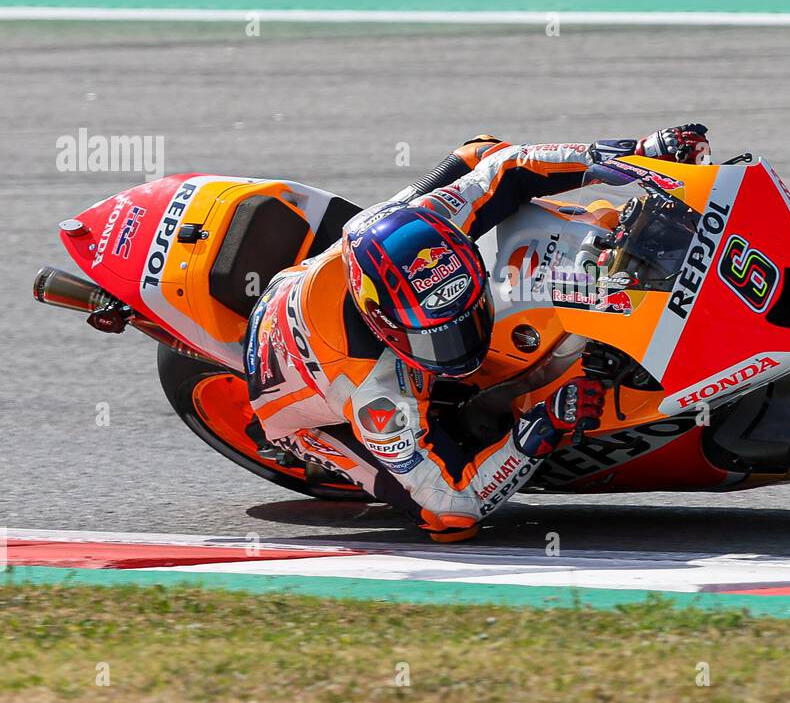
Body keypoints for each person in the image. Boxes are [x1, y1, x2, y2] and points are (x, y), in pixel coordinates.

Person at [244, 125, 712, 541]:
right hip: (303, 403)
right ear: (384, 325)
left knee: (481, 152)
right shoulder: (374, 396)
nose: (462, 344)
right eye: (437, 339)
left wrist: (632, 153)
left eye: (468, 317)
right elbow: (453, 499)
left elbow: (507, 168)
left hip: (323, 279)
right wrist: (537, 430)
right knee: (444, 521)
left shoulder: (434, 220)